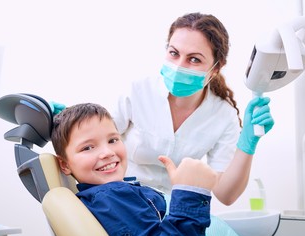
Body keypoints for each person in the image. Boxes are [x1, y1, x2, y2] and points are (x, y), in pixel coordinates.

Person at [51, 103, 274, 236]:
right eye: (88, 147)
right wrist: (189, 194)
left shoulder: (119, 191)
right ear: (65, 165)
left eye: (113, 139)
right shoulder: (111, 198)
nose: (107, 152)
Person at [111, 12, 274, 204]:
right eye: (174, 53)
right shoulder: (137, 91)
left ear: (215, 68)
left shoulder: (223, 115)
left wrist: (247, 145)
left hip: (174, 212)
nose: (179, 66)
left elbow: (226, 195)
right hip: (122, 201)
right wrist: (67, 125)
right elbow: (95, 143)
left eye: (194, 59)